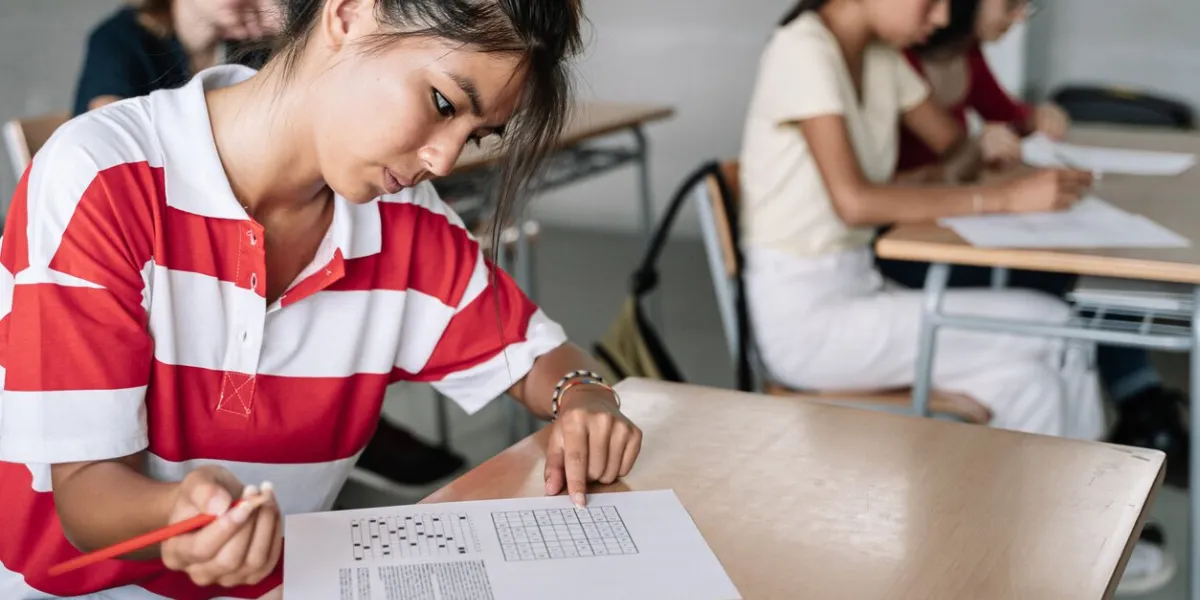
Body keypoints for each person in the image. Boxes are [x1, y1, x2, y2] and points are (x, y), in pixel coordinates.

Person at [0, 0, 642, 598]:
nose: (445, 160)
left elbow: (535, 357)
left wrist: (583, 397)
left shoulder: (401, 222)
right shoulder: (101, 179)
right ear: (350, 14)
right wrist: (175, 512)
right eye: (444, 103)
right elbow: (83, 497)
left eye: (476, 136)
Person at [74, 0, 472, 488]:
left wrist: (293, 38)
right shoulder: (120, 44)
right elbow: (128, 141)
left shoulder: (242, 45)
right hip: (151, 255)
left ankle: (322, 420)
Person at [739, 0, 1104, 440]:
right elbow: (853, 203)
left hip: (860, 289)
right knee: (1059, 327)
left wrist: (988, 146)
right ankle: (1104, 505)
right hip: (808, 321)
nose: (944, 19)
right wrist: (1003, 197)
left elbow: (954, 146)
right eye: (931, 2)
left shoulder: (879, 55)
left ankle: (1055, 508)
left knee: (1030, 384)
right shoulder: (801, 49)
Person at [878, 0, 1190, 492]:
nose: (1019, 16)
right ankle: (1132, 422)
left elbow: (1001, 123)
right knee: (1063, 287)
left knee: (1072, 273)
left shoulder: (965, 55)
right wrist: (979, 158)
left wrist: (1027, 124)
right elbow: (923, 166)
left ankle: (1136, 415)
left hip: (952, 223)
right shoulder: (895, 61)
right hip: (913, 242)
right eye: (1010, 4)